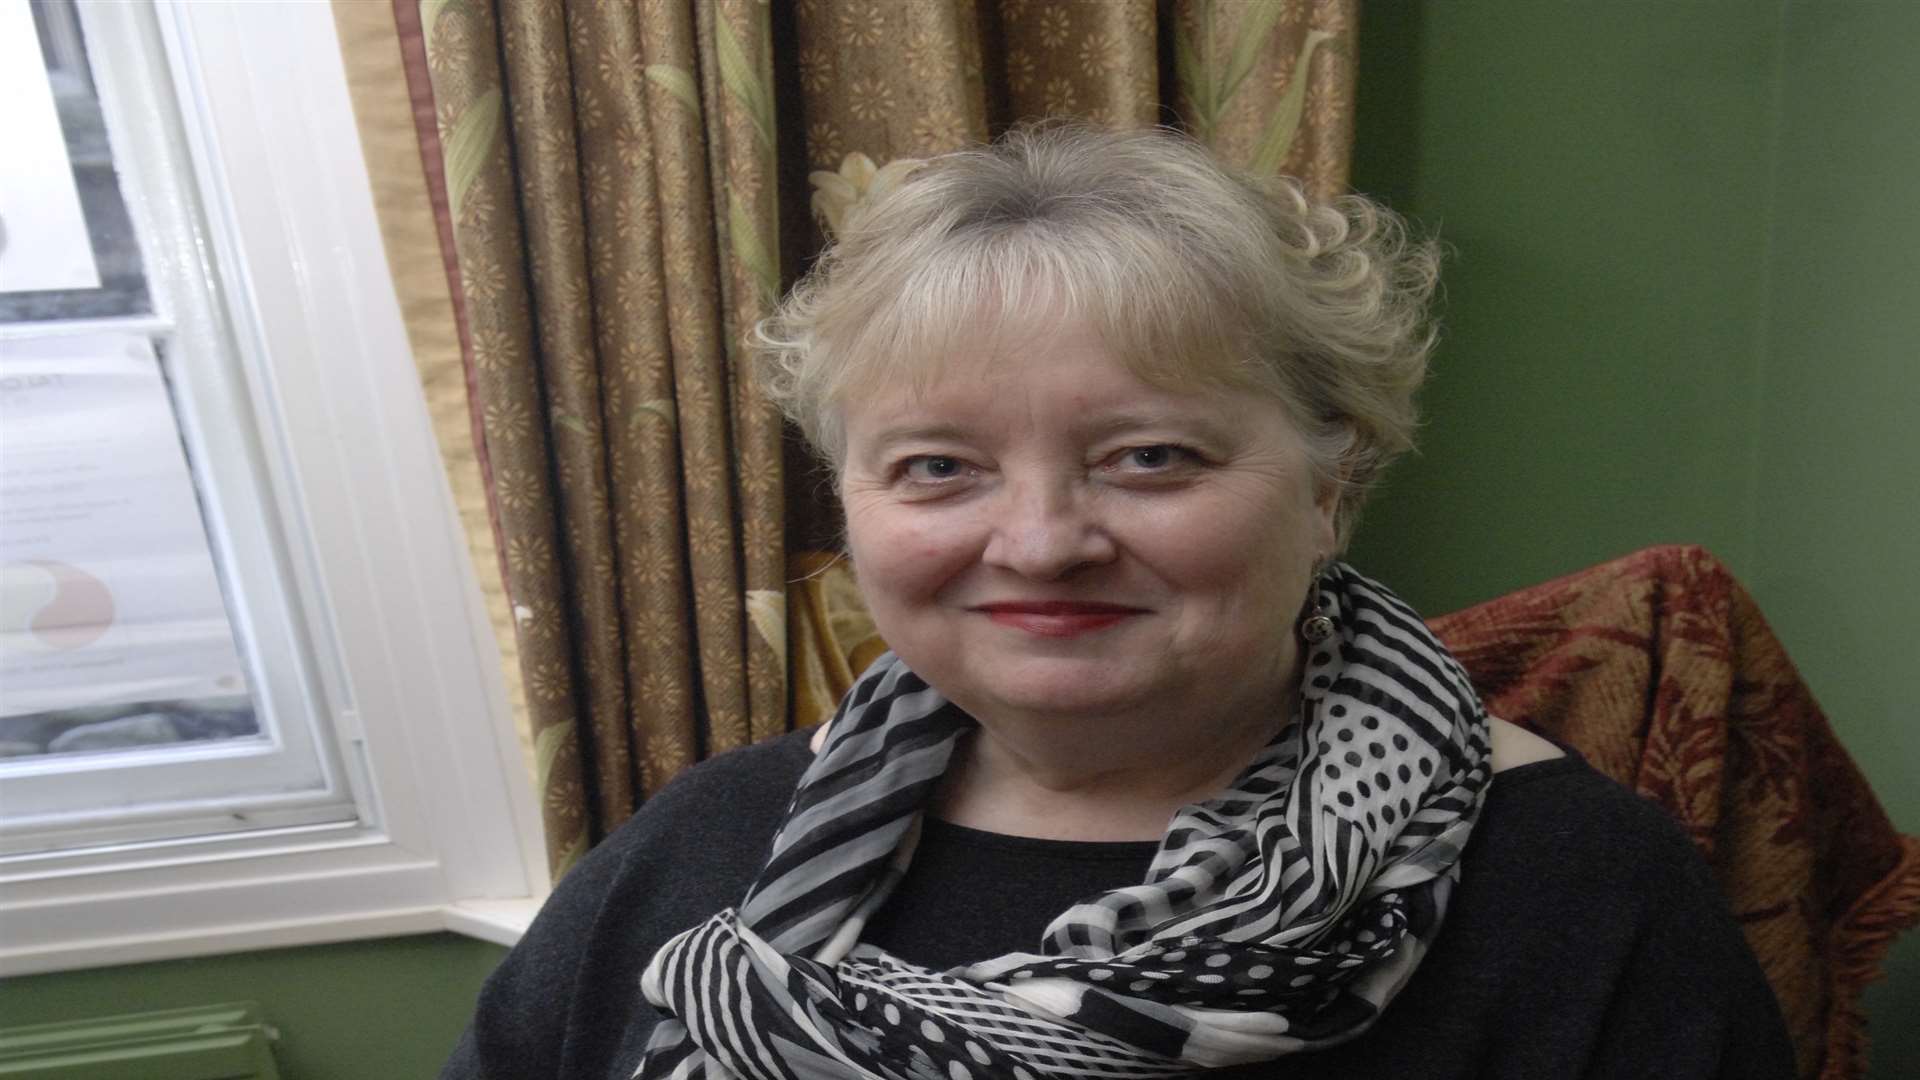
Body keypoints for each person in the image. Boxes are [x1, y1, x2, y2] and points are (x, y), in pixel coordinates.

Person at [441, 126, 1793, 1079]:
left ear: (1333, 489)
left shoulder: (1576, 891)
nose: (1038, 541)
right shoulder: (706, 842)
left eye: (1150, 456)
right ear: (852, 504)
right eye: (937, 468)